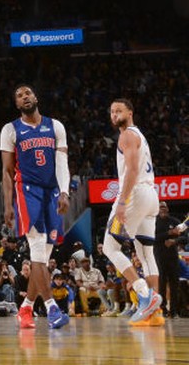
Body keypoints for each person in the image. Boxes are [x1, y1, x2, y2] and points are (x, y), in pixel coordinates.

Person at [0, 84, 71, 330]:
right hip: (27, 191)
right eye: (19, 96)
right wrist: (7, 205)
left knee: (43, 257)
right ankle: (52, 308)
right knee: (38, 250)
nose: (24, 97)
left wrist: (64, 191)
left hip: (52, 192)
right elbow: (7, 172)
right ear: (17, 104)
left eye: (27, 92)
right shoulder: (10, 130)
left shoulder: (55, 126)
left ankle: (26, 308)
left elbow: (62, 162)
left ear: (36, 97)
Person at [102, 97, 163, 326]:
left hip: (135, 194)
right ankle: (155, 312)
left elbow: (132, 169)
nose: (114, 115)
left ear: (130, 112)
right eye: (111, 112)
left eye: (119, 110)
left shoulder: (127, 134)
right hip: (151, 195)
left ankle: (144, 295)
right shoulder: (140, 136)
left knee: (110, 247)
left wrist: (121, 202)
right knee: (146, 254)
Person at [155, 201, 185, 317]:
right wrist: (169, 233)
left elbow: (184, 237)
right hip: (159, 256)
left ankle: (174, 311)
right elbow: (153, 238)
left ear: (167, 208)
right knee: (161, 284)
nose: (163, 209)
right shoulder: (154, 223)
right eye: (160, 207)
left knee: (174, 284)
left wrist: (175, 241)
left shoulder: (175, 221)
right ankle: (162, 310)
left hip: (173, 257)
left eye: (164, 207)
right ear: (157, 210)